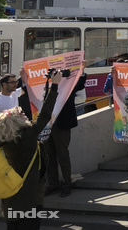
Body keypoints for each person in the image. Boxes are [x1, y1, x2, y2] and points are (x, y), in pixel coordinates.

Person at [0, 70, 62, 229]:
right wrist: (54, 86)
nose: (25, 114)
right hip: (30, 198)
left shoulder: (4, 139)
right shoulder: (28, 135)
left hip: (10, 198)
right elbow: (45, 114)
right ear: (14, 122)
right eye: (21, 114)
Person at [45, 65, 87, 197]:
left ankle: (66, 183)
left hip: (62, 124)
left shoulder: (69, 84)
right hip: (46, 124)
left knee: (62, 154)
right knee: (49, 155)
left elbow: (80, 84)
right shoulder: (46, 84)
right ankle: (53, 184)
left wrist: (82, 70)